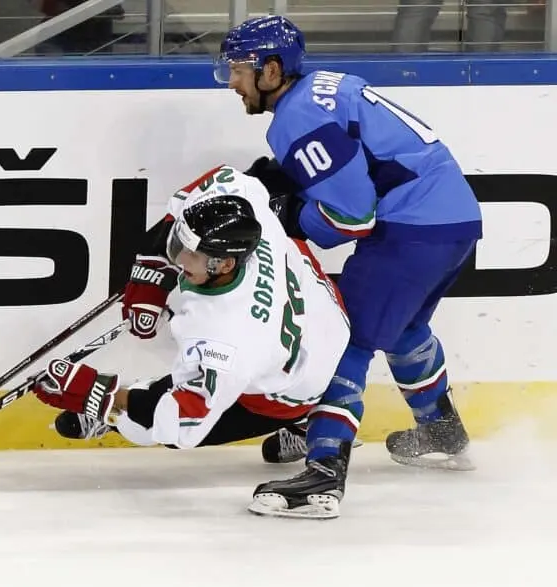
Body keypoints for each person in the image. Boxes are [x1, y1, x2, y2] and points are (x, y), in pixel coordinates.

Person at [213, 15, 481, 518]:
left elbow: (350, 218)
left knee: (347, 338)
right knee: (405, 328)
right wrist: (288, 178)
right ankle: (442, 430)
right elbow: (358, 161)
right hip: (455, 220)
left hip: (412, 229)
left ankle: (324, 474)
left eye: (239, 70)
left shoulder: (297, 117)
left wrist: (288, 213)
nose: (233, 82)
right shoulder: (322, 87)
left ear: (271, 71)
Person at [31, 164, 352, 517]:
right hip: (317, 304)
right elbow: (224, 175)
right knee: (195, 357)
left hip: (289, 387)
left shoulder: (228, 335)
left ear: (225, 264)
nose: (179, 258)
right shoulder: (247, 206)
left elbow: (183, 425)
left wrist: (102, 395)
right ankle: (133, 402)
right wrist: (152, 268)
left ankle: (300, 421)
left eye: (191, 255)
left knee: (153, 426)